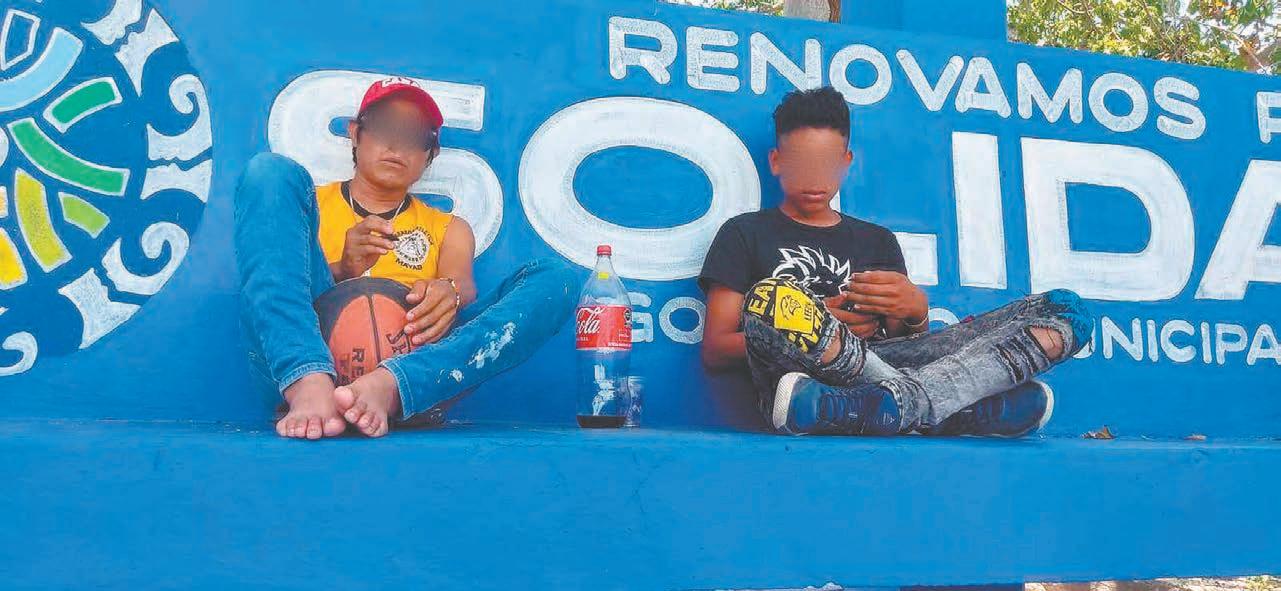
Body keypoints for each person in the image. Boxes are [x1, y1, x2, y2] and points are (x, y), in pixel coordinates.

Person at [699, 87, 1093, 437]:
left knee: (1065, 313)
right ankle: (948, 412)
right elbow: (716, 350)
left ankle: (880, 408)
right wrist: (814, 324)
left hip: (876, 368)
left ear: (846, 161)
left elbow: (903, 344)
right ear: (777, 162)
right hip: (802, 375)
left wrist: (916, 312)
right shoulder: (744, 233)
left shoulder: (877, 240)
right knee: (772, 299)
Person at [235, 77, 579, 440]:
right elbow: (277, 279)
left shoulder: (449, 228)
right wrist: (344, 269)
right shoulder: (306, 206)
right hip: (311, 355)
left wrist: (447, 292)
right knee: (269, 173)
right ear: (355, 133)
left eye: (415, 136)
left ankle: (392, 387)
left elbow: (461, 285)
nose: (397, 145)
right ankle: (307, 379)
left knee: (557, 279)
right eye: (384, 127)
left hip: (416, 373)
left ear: (431, 153)